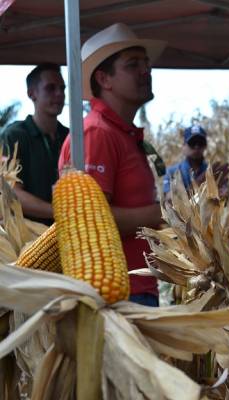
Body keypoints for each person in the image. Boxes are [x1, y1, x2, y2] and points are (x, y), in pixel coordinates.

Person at [58, 23, 166, 306]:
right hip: (116, 295)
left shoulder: (121, 133)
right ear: (104, 79)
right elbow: (90, 220)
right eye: (133, 65)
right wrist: (162, 213)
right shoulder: (98, 133)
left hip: (134, 285)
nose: (146, 71)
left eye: (146, 63)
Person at [1, 63, 68, 225]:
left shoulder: (70, 135)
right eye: (50, 88)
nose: (59, 94)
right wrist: (61, 213)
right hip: (28, 240)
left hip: (69, 235)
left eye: (62, 88)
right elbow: (11, 193)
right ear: (32, 94)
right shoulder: (14, 135)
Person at [163, 124, 229, 196]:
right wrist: (198, 186)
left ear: (205, 146)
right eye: (192, 143)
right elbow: (169, 200)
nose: (197, 147)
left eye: (200, 143)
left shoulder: (213, 173)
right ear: (184, 146)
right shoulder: (172, 172)